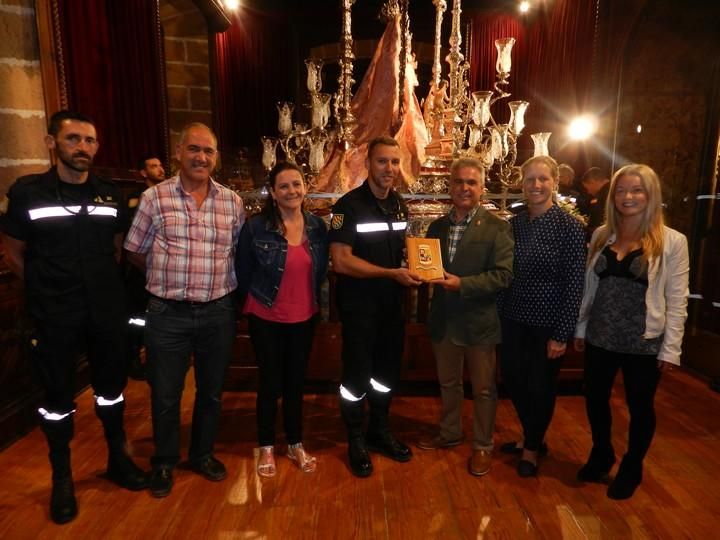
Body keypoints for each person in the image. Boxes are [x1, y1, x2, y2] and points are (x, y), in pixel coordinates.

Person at [0, 110, 148, 524]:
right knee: (58, 398)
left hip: (105, 310)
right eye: (73, 139)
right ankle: (62, 477)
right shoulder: (28, 193)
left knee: (111, 390)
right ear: (53, 144)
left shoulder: (110, 194)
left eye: (90, 140)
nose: (83, 147)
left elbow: (117, 248)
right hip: (54, 314)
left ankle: (117, 458)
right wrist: (48, 287)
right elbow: (12, 253)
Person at [124, 122, 245, 498]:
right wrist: (168, 281)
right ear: (178, 152)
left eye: (208, 151)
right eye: (194, 149)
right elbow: (134, 250)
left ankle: (202, 453)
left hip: (217, 312)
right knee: (164, 393)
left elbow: (237, 254)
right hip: (167, 313)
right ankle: (163, 462)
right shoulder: (154, 198)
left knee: (210, 391)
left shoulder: (232, 202)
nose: (201, 157)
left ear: (216, 157)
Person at [574, 164, 689, 500]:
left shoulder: (672, 242)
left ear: (650, 195)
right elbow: (589, 287)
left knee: (640, 406)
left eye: (637, 190)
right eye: (622, 190)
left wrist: (671, 349)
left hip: (643, 340)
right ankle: (601, 453)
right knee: (594, 398)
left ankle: (632, 465)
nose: (628, 196)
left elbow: (677, 299)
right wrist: (581, 327)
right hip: (600, 335)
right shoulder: (601, 234)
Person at [329, 136, 422, 477]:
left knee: (385, 374)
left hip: (391, 307)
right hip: (359, 308)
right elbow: (340, 261)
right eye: (383, 161)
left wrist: (421, 268)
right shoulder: (347, 207)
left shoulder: (399, 204)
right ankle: (355, 437)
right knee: (355, 376)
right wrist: (390, 273)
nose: (389, 169)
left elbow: (405, 252)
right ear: (368, 163)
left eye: (395, 162)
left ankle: (379, 430)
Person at [416, 157, 514, 477]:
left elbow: (503, 276)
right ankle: (450, 432)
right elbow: (429, 267)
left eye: (471, 182)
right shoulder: (437, 227)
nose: (464, 188)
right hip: (444, 320)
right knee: (448, 383)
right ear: (450, 186)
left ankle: (483, 445)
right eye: (459, 182)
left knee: (484, 390)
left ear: (482, 188)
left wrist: (463, 284)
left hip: (479, 323)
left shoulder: (498, 227)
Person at [235, 162, 328, 477]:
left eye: (297, 184)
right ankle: (265, 445)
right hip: (267, 315)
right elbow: (243, 271)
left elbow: (322, 269)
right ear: (273, 193)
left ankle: (295, 442)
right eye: (284, 186)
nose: (292, 191)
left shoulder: (317, 227)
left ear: (305, 188)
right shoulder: (256, 227)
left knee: (296, 382)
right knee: (270, 382)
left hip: (304, 316)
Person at [499, 155, 586, 477]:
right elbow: (504, 273)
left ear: (555, 183)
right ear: (522, 184)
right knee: (512, 379)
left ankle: (532, 447)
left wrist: (562, 334)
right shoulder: (514, 223)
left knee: (541, 386)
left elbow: (574, 283)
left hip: (547, 323)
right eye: (530, 179)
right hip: (512, 317)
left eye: (542, 179)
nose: (536, 185)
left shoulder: (570, 228)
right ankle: (532, 435)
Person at [125, 154, 166, 381]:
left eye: (160, 166)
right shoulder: (134, 199)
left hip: (160, 271)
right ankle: (133, 358)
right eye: (153, 166)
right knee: (138, 319)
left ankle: (155, 361)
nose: (159, 170)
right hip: (139, 270)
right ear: (143, 172)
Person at [579, 167, 611, 241]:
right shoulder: (608, 191)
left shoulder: (606, 195)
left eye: (587, 188)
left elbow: (598, 222)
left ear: (592, 181)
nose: (588, 192)